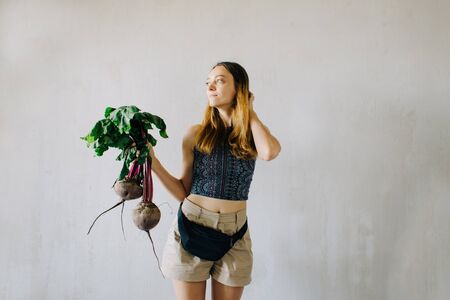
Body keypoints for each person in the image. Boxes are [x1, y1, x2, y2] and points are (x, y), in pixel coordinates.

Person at [147, 62, 281, 300]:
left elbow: (269, 152)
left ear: (239, 88)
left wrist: (249, 112)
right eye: (208, 82)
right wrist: (154, 163)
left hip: (235, 234)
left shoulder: (253, 132)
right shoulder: (195, 134)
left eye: (219, 80)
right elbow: (183, 191)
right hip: (191, 227)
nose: (210, 86)